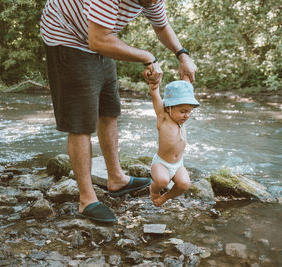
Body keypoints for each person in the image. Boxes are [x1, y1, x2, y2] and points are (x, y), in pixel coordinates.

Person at [40, 0, 197, 222]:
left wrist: (182, 54)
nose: (154, 2)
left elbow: (161, 26)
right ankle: (87, 200)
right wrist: (147, 57)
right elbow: (98, 40)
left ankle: (116, 179)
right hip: (67, 37)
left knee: (109, 110)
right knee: (81, 123)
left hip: (99, 35)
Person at [146, 78, 200, 207]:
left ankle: (165, 197)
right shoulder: (163, 118)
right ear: (169, 108)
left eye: (189, 112)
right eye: (183, 112)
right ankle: (153, 191)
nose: (186, 116)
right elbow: (156, 99)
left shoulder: (181, 122)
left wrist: (187, 75)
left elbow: (186, 86)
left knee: (184, 184)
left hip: (178, 164)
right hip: (162, 163)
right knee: (162, 181)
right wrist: (154, 88)